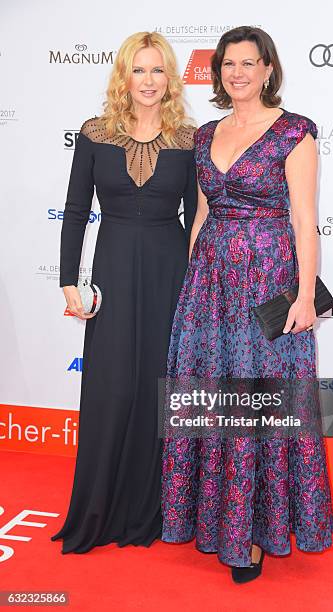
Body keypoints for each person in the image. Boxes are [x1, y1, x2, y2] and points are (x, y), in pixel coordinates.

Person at [161, 26, 333, 583]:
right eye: (228, 64)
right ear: (219, 73)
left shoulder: (293, 134)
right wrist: (191, 281)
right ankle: (215, 522)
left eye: (248, 63)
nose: (237, 72)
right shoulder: (205, 133)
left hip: (267, 281)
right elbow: (206, 214)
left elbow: (306, 221)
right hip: (209, 286)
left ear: (267, 70)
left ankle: (257, 531)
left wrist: (306, 294)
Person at [51, 31, 197, 554]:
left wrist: (200, 287)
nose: (149, 81)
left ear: (170, 78)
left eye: (158, 71)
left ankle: (152, 509)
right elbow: (73, 211)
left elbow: (198, 219)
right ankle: (100, 508)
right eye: (140, 70)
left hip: (169, 272)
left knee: (161, 389)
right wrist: (69, 278)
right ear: (124, 76)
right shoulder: (94, 134)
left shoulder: (189, 138)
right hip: (111, 267)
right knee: (111, 387)